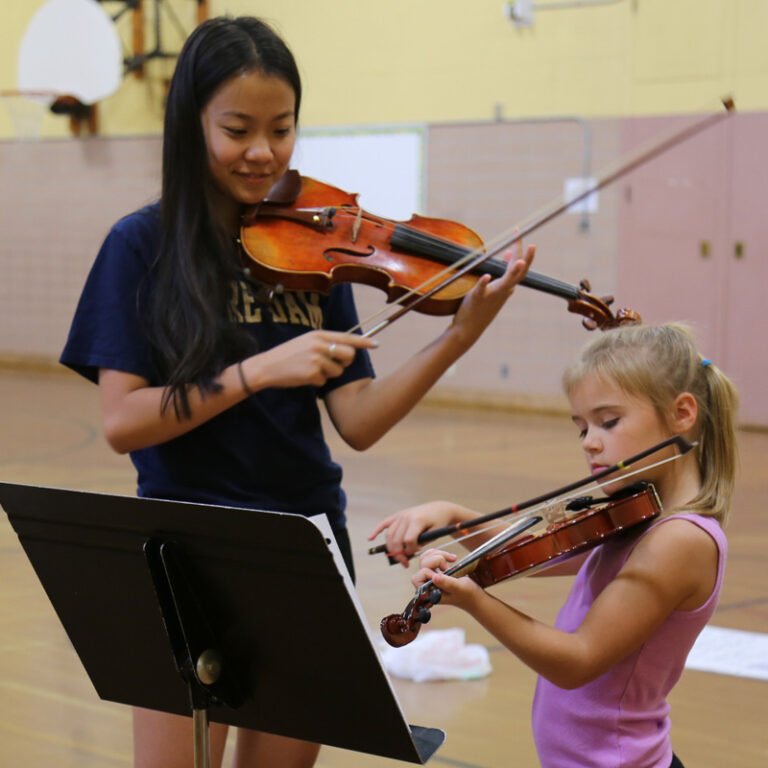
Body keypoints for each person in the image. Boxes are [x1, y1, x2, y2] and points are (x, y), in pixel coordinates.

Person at [59, 15, 535, 768]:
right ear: (192, 125)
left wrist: (458, 337)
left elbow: (359, 420)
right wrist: (257, 372)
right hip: (184, 547)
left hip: (304, 544)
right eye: (237, 129)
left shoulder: (311, 248)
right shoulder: (140, 247)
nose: (263, 151)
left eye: (281, 129)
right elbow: (123, 421)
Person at [370, 323, 738, 768]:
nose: (591, 442)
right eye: (581, 427)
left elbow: (577, 662)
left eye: (608, 421)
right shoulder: (636, 513)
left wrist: (473, 601)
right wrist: (452, 517)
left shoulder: (678, 540)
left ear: (682, 414)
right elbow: (528, 553)